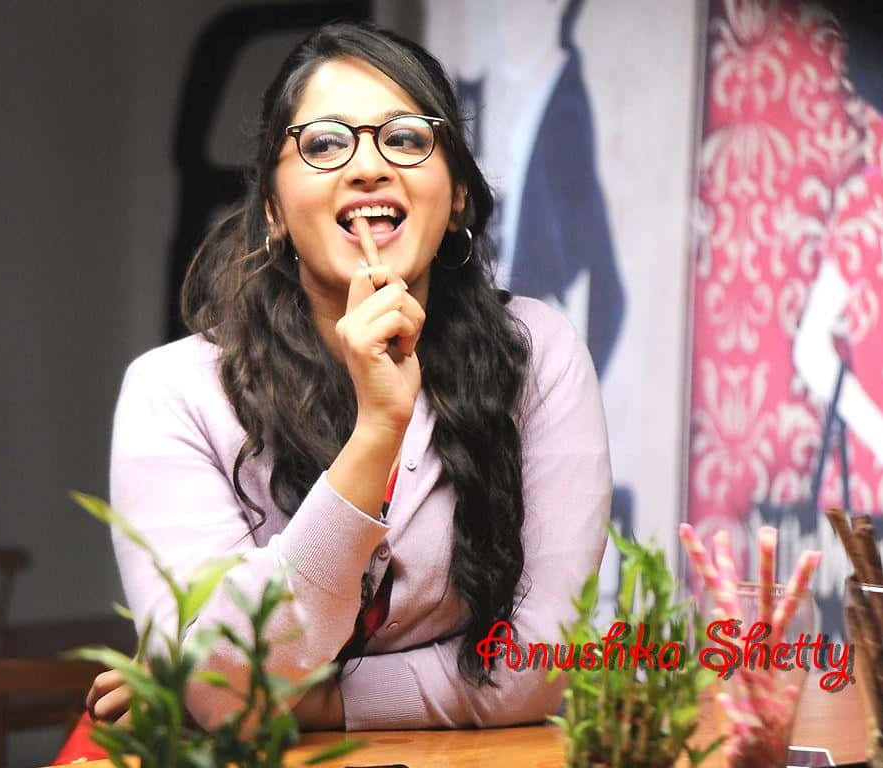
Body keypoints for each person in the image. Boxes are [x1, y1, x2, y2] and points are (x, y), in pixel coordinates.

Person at [83, 19, 611, 737]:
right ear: (273, 209)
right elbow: (224, 681)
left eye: (405, 138)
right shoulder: (172, 394)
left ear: (457, 193)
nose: (367, 167)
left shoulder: (536, 355)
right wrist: (376, 432)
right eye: (325, 143)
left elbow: (544, 660)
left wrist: (308, 703)